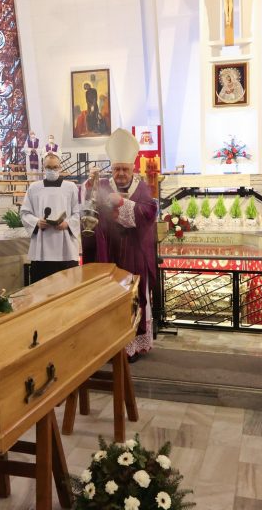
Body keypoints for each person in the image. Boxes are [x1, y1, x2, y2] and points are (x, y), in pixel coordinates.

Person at [85, 128, 157, 362]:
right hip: (109, 253)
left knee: (133, 298)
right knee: (111, 299)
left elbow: (148, 213)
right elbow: (89, 205)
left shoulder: (141, 188)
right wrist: (89, 186)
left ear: (133, 168)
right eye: (117, 169)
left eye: (125, 169)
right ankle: (111, 346)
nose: (121, 174)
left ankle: (131, 346)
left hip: (134, 253)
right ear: (112, 169)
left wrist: (121, 202)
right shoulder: (103, 185)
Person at [20, 153, 81, 282]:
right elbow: (25, 213)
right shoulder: (34, 187)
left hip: (65, 247)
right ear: (43, 167)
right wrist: (37, 222)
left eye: (55, 167)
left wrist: (67, 224)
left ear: (60, 168)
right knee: (42, 286)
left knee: (67, 286)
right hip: (41, 248)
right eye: (48, 167)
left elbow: (78, 213)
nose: (52, 170)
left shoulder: (71, 187)